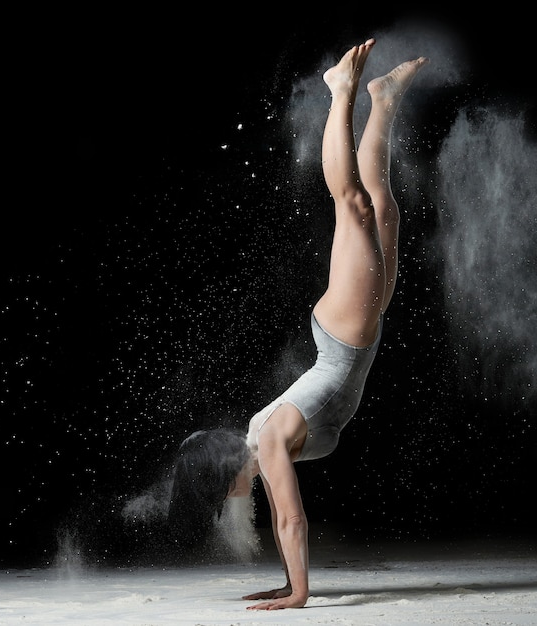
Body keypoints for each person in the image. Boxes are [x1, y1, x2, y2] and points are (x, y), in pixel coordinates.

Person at [168, 38, 429, 610]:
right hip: (356, 335)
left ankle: (342, 92)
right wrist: (290, 581)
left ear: (224, 478)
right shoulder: (263, 444)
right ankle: (382, 101)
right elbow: (285, 517)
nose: (237, 503)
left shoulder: (265, 443)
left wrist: (300, 593)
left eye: (221, 496)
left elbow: (291, 519)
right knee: (381, 209)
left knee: (353, 204)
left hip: (344, 338)